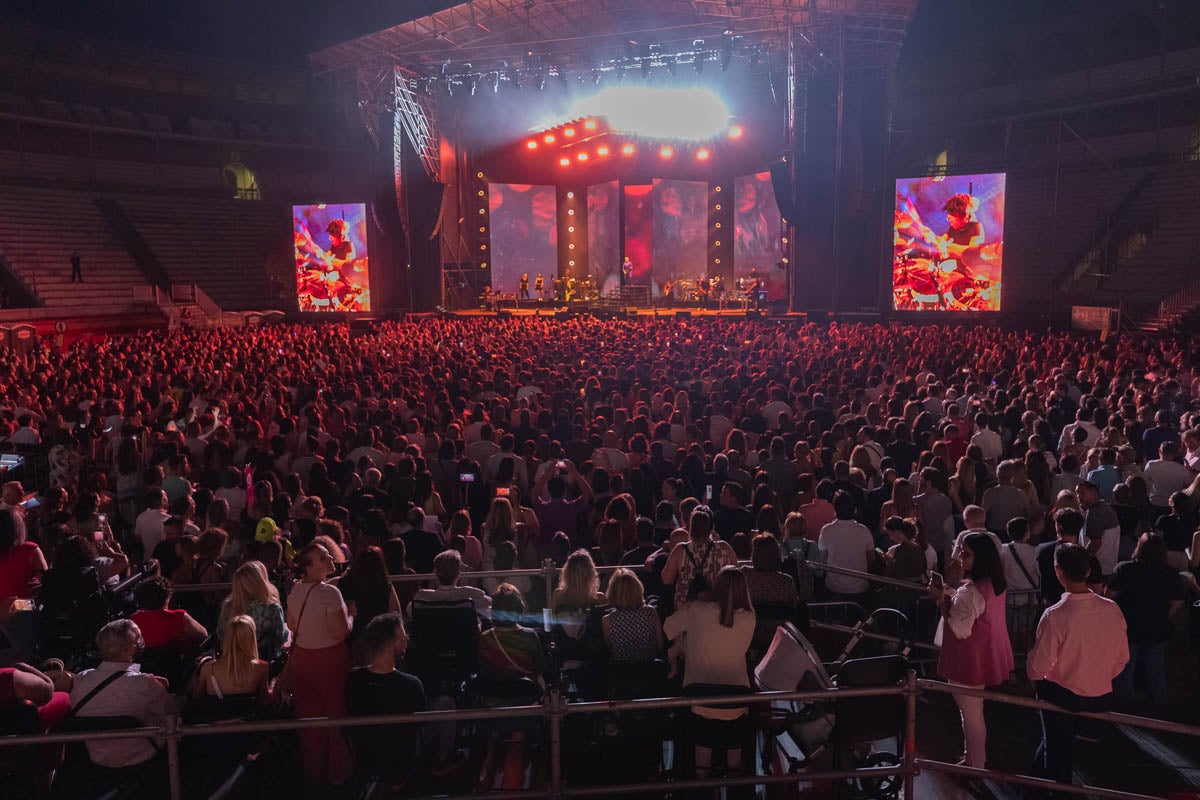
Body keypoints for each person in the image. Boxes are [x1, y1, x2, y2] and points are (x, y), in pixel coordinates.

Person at [1027, 543, 1129, 789]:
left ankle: (1050, 791)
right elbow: (1122, 658)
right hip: (1100, 694)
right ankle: (1032, 784)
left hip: (1061, 695)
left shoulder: (1055, 615)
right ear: (1087, 572)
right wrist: (1098, 674)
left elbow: (1037, 667)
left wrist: (1037, 675)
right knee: (1054, 742)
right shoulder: (1112, 609)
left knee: (1057, 753)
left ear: (1057, 572)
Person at [928, 532, 1013, 768]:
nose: (961, 558)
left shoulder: (971, 591)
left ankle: (976, 764)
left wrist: (940, 600)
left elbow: (958, 627)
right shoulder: (994, 585)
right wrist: (952, 595)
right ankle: (973, 759)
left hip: (967, 660)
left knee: (971, 714)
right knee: (973, 712)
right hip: (985, 655)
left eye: (966, 554)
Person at [663, 566, 755, 782]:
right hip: (737, 702)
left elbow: (668, 628)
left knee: (702, 759)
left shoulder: (697, 611)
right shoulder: (749, 618)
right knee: (735, 760)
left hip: (701, 700)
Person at [285, 542, 354, 786]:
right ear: (309, 567)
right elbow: (340, 632)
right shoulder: (329, 594)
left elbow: (292, 625)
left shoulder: (295, 591)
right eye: (323, 557)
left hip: (302, 660)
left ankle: (314, 773)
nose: (329, 559)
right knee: (335, 717)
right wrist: (351, 616)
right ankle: (339, 774)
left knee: (310, 719)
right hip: (329, 661)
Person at [68, 620, 170, 774]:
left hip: (97, 758)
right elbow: (170, 714)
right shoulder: (145, 684)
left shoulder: (81, 680)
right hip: (142, 756)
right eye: (138, 641)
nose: (141, 644)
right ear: (127, 650)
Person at [344, 613, 426, 790]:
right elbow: (422, 724)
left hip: (366, 756)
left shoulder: (353, 680)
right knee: (445, 704)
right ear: (390, 644)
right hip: (402, 757)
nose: (406, 637)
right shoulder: (411, 684)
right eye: (402, 634)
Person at [1107, 533, 1184, 714]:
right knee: (1155, 670)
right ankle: (1159, 709)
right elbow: (1177, 601)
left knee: (1126, 670)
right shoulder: (1170, 574)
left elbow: (1109, 595)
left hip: (1128, 628)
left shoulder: (1124, 569)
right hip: (1157, 628)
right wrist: (1165, 615)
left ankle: (1125, 710)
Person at [660, 505, 738, 611]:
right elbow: (737, 577)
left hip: (687, 612)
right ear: (712, 526)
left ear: (691, 526)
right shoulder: (725, 548)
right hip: (718, 611)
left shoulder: (680, 550)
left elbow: (666, 579)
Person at [337, 545, 401, 665]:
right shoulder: (385, 587)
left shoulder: (343, 584)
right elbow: (396, 613)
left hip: (351, 639)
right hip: (378, 640)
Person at [217, 561, 288, 663]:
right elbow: (279, 639)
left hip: (229, 662)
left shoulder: (228, 606)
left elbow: (220, 635)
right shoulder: (272, 609)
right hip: (260, 662)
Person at [191, 615, 269, 703]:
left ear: (227, 638)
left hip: (215, 716)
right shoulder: (261, 668)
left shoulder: (208, 669)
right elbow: (265, 701)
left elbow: (198, 699)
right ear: (252, 638)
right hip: (248, 716)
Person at [817, 491, 876, 603]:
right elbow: (871, 559)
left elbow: (822, 560)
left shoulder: (826, 530)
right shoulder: (864, 531)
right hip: (859, 587)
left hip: (834, 586)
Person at [128, 576, 208, 651]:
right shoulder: (178, 616)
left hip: (144, 663)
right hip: (178, 663)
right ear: (167, 598)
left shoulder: (133, 619)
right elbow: (203, 635)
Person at [602, 568, 663, 664]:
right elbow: (660, 646)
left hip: (621, 673)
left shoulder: (607, 620)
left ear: (613, 592)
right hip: (649, 669)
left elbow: (611, 649)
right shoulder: (651, 612)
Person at [411, 549, 492, 619]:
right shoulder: (472, 597)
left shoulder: (421, 599)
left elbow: (409, 611)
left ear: (435, 573)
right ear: (459, 573)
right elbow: (490, 603)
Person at [1037, 508, 1084, 605]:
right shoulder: (1084, 554)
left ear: (1058, 526)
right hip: (1078, 604)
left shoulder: (1043, 550)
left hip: (1051, 603)